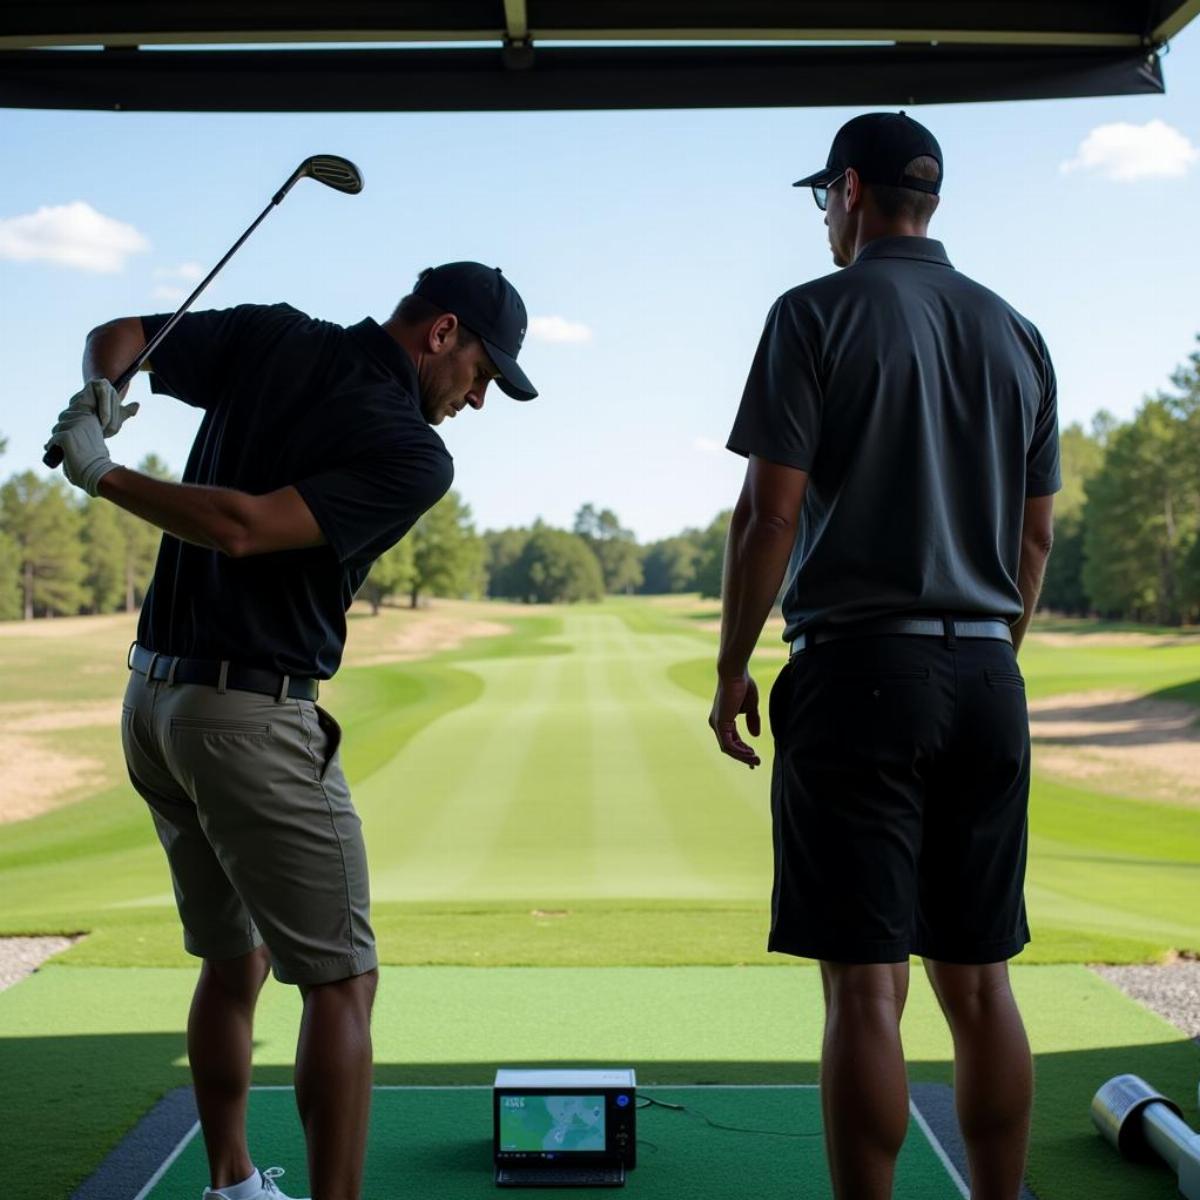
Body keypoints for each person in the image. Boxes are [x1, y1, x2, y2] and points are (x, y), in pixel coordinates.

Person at [43, 262, 537, 1200]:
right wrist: (102, 446)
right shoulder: (412, 451)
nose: (478, 400)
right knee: (342, 983)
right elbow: (243, 526)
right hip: (248, 720)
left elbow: (122, 334)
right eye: (482, 373)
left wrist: (103, 388)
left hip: (152, 707)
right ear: (441, 333)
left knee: (236, 961)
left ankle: (232, 1184)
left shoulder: (275, 333)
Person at [708, 113, 1058, 1200]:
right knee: (981, 981)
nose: (824, 215)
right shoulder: (1017, 331)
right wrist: (986, 656)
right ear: (931, 198)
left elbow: (769, 518)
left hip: (860, 672)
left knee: (866, 993)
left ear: (851, 193)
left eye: (824, 197)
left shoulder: (814, 313)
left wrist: (729, 670)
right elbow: (1034, 536)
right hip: (987, 676)